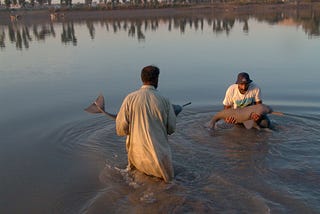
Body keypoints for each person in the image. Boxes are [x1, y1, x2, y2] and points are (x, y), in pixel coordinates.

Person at [115, 65, 176, 183]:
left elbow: (121, 129)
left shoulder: (129, 98)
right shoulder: (164, 100)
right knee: (167, 187)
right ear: (156, 79)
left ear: (142, 78)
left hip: (136, 156)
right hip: (159, 159)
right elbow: (171, 129)